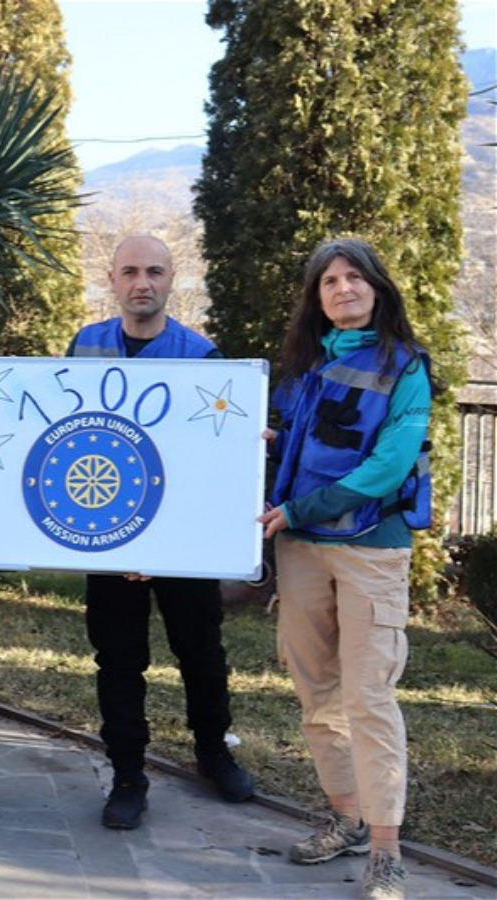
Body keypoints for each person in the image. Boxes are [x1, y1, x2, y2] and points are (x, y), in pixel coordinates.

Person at [259, 238, 433, 900]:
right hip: (299, 548)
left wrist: (304, 504)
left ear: (378, 288)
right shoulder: (304, 370)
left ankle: (386, 850)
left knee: (369, 696)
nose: (343, 289)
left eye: (354, 277)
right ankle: (347, 819)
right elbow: (288, 446)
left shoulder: (407, 366)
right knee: (316, 693)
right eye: (329, 281)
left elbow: (390, 465)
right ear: (317, 298)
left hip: (370, 548)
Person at [68, 234, 255, 830]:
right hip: (109, 536)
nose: (141, 283)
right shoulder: (84, 345)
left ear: (173, 279)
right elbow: (68, 431)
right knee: (118, 661)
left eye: (154, 271)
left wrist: (164, 542)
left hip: (182, 542)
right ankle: (127, 775)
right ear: (112, 279)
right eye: (129, 272)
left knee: (201, 653)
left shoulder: (202, 356)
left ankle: (213, 754)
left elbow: (210, 462)